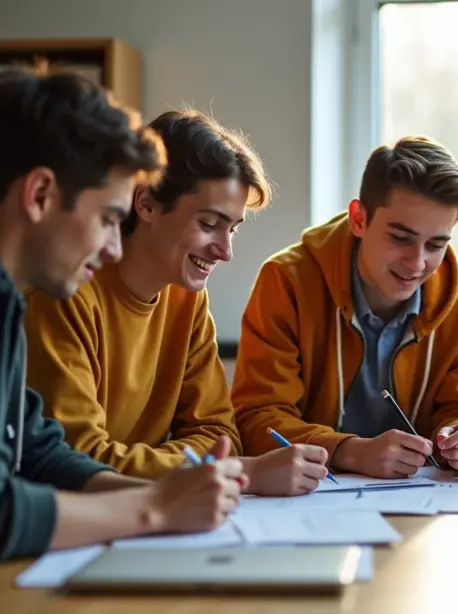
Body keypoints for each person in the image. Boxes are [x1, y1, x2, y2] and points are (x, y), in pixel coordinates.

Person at [0, 68, 246, 600]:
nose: (114, 248)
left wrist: (171, 490)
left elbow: (37, 451)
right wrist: (154, 508)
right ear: (40, 194)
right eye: (107, 218)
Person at [24, 109, 330, 495]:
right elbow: (77, 458)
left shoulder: (187, 299)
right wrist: (230, 471)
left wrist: (191, 468)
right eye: (208, 224)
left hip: (150, 510)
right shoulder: (64, 295)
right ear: (148, 204)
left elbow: (219, 432)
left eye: (232, 229)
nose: (225, 251)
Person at [231, 136, 458, 478]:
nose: (417, 262)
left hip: (423, 502)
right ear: (358, 219)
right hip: (311, 499)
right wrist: (350, 452)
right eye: (400, 238)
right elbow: (257, 417)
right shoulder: (286, 281)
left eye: (436, 245)